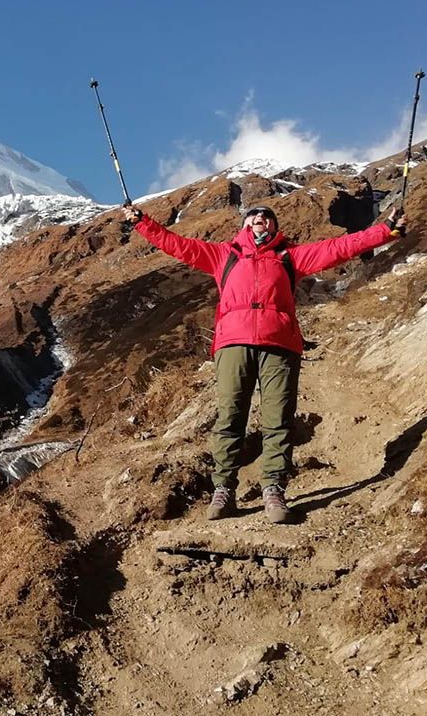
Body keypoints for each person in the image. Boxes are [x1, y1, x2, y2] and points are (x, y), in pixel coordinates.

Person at [120, 202, 407, 523]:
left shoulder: (290, 256)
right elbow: (177, 245)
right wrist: (142, 223)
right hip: (232, 343)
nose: (261, 218)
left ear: (274, 227)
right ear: (245, 225)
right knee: (230, 416)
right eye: (255, 216)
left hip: (280, 343)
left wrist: (385, 231)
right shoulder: (222, 255)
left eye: (268, 216)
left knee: (278, 419)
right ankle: (223, 489)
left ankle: (274, 489)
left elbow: (339, 247)